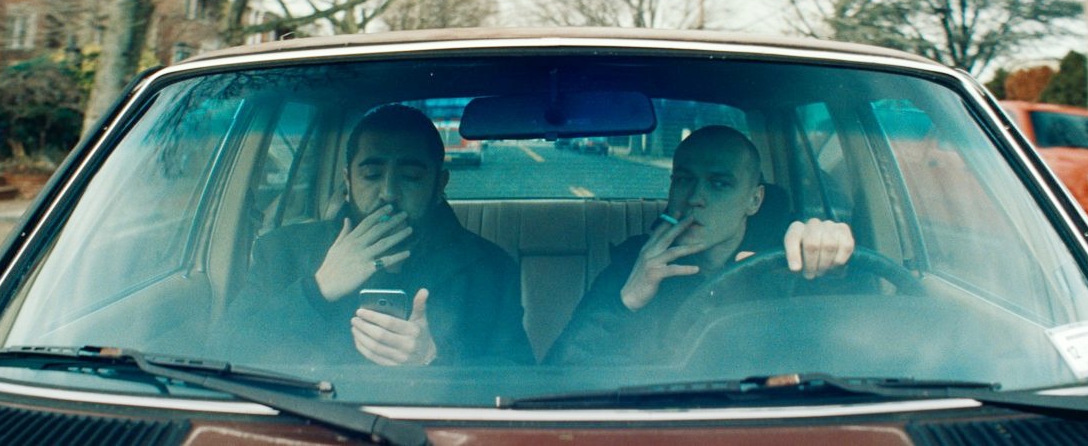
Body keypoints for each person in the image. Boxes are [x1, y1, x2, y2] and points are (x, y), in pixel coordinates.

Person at [229, 104, 533, 366]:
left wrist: (431, 358)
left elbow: (517, 375)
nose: (388, 193)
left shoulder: (491, 269)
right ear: (348, 180)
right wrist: (317, 289)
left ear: (439, 185)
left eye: (410, 177)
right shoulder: (282, 250)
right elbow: (224, 351)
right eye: (371, 175)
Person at [544, 125, 854, 365]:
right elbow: (558, 374)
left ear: (754, 200)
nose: (694, 198)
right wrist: (626, 300)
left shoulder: (788, 264)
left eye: (719, 183)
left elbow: (848, 356)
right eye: (683, 179)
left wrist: (831, 266)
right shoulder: (634, 262)